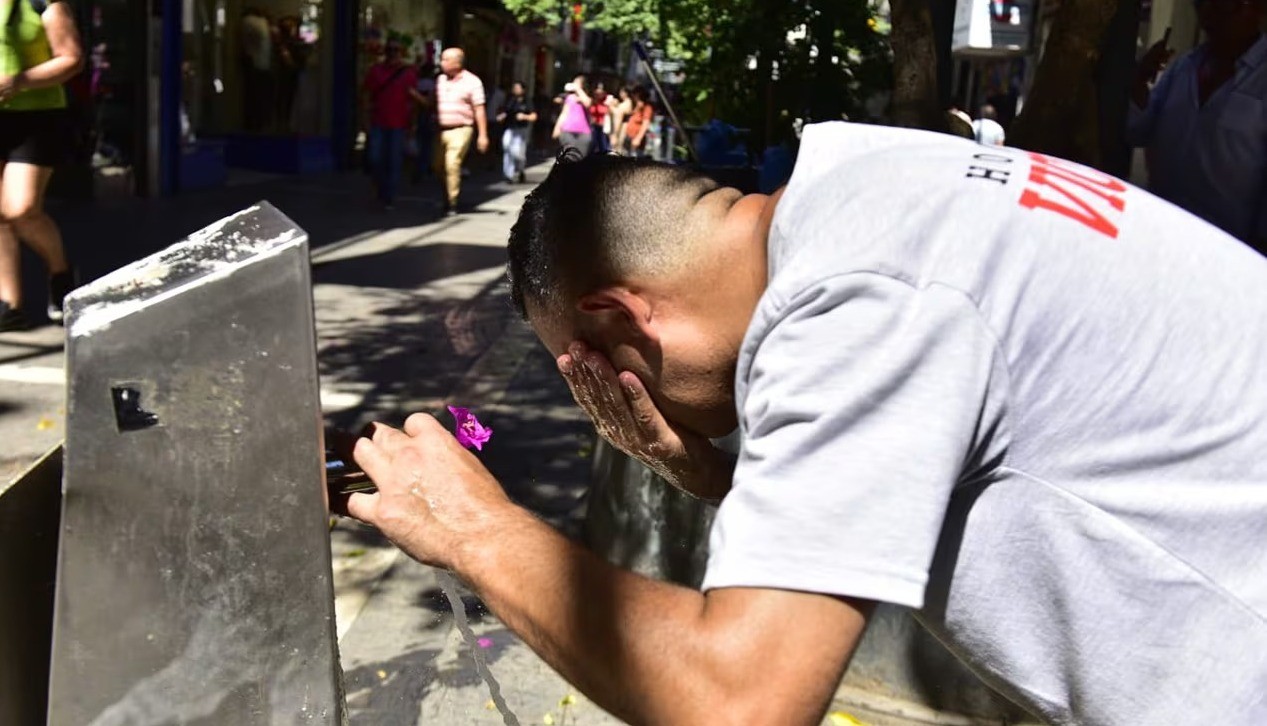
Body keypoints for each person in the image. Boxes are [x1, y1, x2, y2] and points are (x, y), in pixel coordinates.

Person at [335, 123, 1267, 725]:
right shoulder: (879, 185)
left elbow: (736, 703)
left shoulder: (859, 302)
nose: (606, 403)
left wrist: (471, 528)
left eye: (589, 372)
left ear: (622, 319)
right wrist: (713, 477)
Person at [1128, 1, 1267, 249]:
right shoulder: (1185, 67)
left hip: (1227, 252)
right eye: (1201, 3)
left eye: (1225, 5)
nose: (1208, 12)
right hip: (1159, 235)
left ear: (1257, 8)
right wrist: (1139, 80)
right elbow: (1137, 131)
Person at [0, 0, 83, 331]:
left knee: (20, 209)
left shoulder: (43, 3)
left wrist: (18, 81)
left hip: (36, 118)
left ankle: (60, 271)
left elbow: (72, 58)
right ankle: (10, 304)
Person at [361, 39, 421, 210]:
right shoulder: (376, 71)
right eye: (390, 50)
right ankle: (380, 188)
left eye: (396, 50)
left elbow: (413, 101)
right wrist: (364, 120)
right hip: (378, 122)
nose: (393, 53)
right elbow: (366, 95)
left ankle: (388, 196)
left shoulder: (408, 73)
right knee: (375, 158)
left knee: (394, 161)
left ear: (401, 53)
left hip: (399, 124)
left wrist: (413, 124)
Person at [432, 47, 488, 217]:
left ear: (458, 62)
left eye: (445, 59)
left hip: (462, 129)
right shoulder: (439, 80)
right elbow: (430, 102)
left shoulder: (472, 82)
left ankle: (452, 202)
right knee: (438, 166)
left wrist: (483, 135)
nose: (442, 63)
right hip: (441, 129)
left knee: (452, 163)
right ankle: (446, 193)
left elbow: (479, 109)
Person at [496, 80, 535, 184]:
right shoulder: (510, 100)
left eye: (518, 88)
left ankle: (521, 170)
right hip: (510, 128)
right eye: (514, 88)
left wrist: (524, 116)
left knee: (518, 152)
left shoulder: (527, 101)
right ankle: (509, 174)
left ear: (523, 90)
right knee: (507, 148)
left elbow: (534, 116)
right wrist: (502, 116)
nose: (515, 90)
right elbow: (506, 111)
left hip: (522, 129)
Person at [410, 59, 436, 185]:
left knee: (419, 143)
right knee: (427, 145)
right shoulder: (433, 84)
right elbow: (432, 101)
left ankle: (418, 168)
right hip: (428, 116)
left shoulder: (417, 83)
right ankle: (424, 168)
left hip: (416, 115)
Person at [551, 75, 592, 156]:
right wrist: (557, 127)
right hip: (567, 131)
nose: (574, 84)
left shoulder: (587, 98)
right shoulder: (569, 97)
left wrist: (578, 89)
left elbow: (588, 103)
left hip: (583, 133)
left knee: (581, 158)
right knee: (569, 157)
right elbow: (564, 113)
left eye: (577, 82)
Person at [622, 85, 653, 157]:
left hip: (636, 138)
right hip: (629, 136)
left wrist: (638, 139)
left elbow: (645, 124)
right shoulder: (636, 106)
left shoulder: (647, 108)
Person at [588, 80, 612, 155]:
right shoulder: (590, 101)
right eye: (597, 93)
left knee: (604, 148)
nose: (598, 94)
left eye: (601, 92)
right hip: (592, 127)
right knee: (592, 147)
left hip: (603, 129)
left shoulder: (608, 101)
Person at [609, 85, 632, 152]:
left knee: (619, 148)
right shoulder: (623, 103)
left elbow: (619, 116)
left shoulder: (627, 103)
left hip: (622, 128)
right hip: (621, 128)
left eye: (622, 92)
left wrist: (612, 107)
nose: (620, 94)